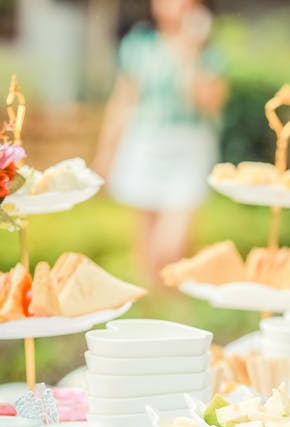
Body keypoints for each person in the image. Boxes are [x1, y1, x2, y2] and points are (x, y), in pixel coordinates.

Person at [93, 0, 228, 282]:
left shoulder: (207, 51)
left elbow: (208, 102)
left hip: (188, 147)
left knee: (170, 248)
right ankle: (157, 310)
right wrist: (105, 154)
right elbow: (122, 101)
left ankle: (176, 304)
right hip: (144, 143)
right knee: (145, 250)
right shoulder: (139, 45)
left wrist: (190, 51)